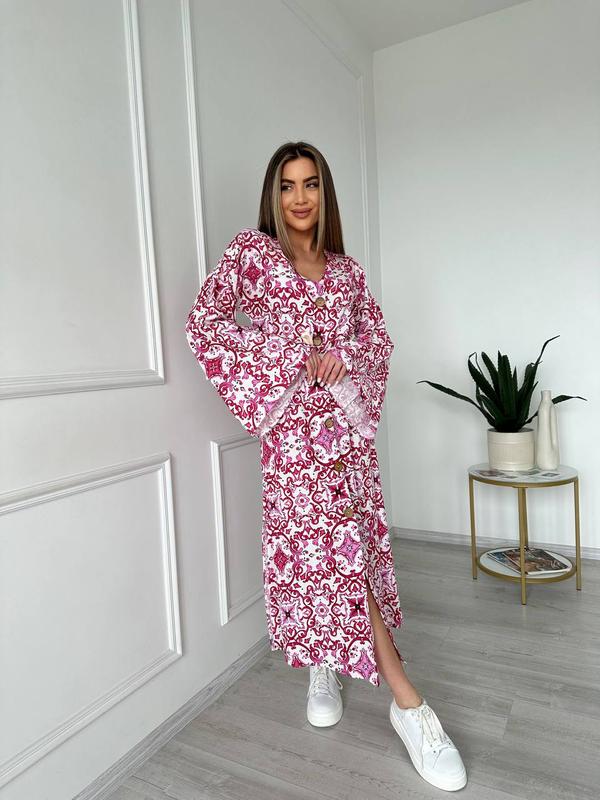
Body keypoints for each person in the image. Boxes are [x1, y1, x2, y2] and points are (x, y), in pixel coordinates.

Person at [185, 141, 467, 792]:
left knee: (348, 552)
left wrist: (343, 358)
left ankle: (341, 670)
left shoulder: (347, 272)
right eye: (287, 186)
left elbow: (377, 342)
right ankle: (405, 701)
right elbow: (206, 324)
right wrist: (290, 356)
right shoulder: (253, 256)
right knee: (323, 554)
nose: (299, 197)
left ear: (324, 192)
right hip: (292, 441)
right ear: (274, 194)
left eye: (310, 184)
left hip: (345, 439)